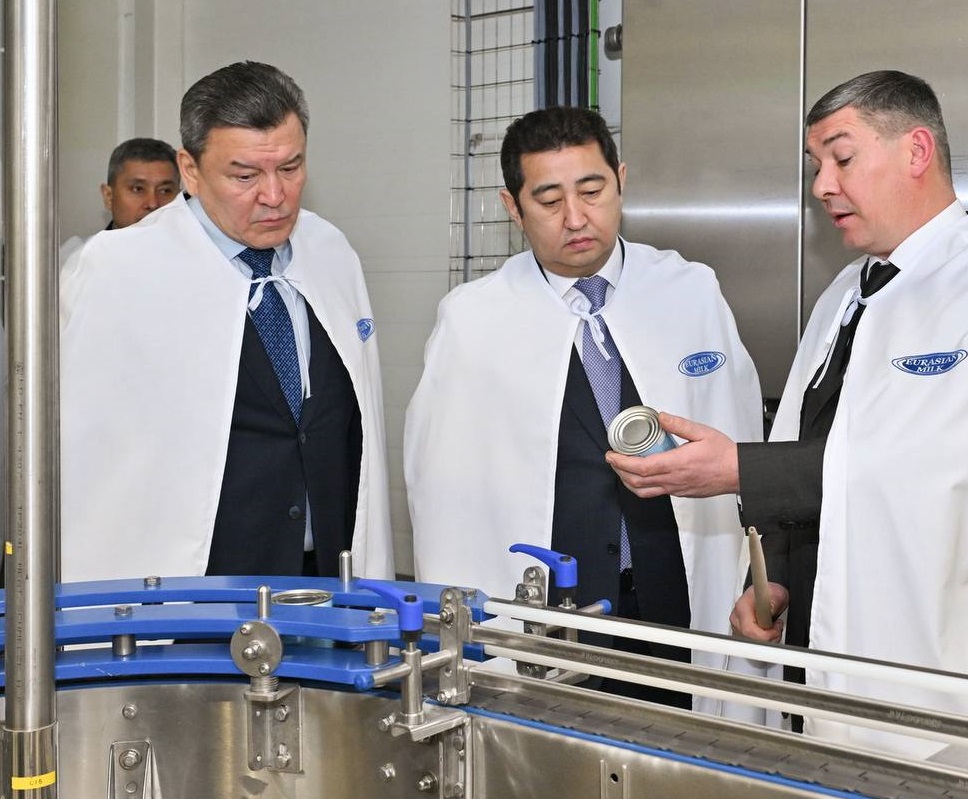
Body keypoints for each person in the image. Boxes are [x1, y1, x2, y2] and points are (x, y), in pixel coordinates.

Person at [607, 70, 968, 768]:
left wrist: (739, 469)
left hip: (949, 685)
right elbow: (811, 445)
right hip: (823, 659)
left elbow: (935, 467)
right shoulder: (846, 296)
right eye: (815, 165)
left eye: (842, 158)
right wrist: (769, 581)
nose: (823, 185)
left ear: (916, 151)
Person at [405, 106, 763, 711]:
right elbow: (440, 491)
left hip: (674, 595)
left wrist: (756, 572)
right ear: (512, 207)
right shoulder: (473, 319)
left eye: (592, 191)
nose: (576, 218)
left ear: (620, 180)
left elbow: (743, 435)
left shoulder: (689, 291)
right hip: (552, 611)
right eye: (548, 201)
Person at [60, 61, 393, 582]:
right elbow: (79, 449)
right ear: (190, 170)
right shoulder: (117, 270)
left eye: (290, 168)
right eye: (245, 176)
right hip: (194, 581)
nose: (274, 195)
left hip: (325, 573)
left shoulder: (330, 252)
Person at [59, 137, 182, 265]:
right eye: (137, 189)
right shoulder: (75, 261)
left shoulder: (192, 258)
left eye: (165, 191)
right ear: (109, 196)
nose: (153, 203)